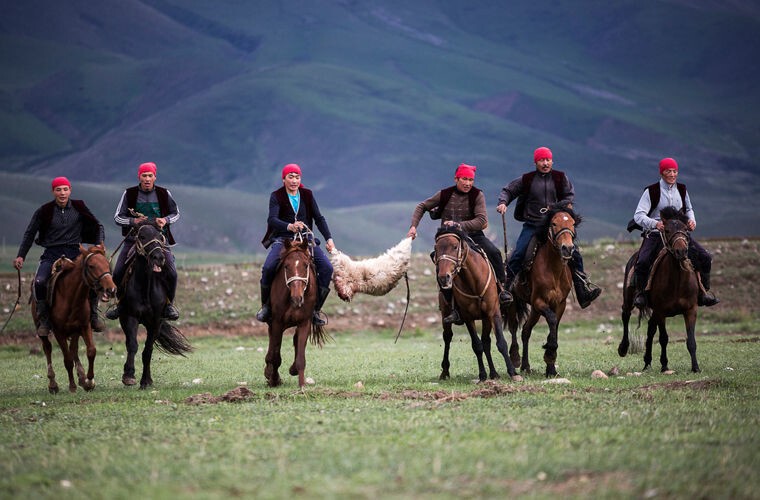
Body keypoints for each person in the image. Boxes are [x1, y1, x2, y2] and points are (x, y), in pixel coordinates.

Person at [497, 146, 601, 308]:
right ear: (535, 162)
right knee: (519, 253)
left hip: (555, 225)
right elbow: (509, 190)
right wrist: (503, 202)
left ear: (552, 161)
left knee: (575, 254)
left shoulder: (560, 178)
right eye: (541, 160)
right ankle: (505, 290)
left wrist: (563, 206)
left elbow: (569, 195)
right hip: (532, 224)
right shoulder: (527, 179)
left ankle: (583, 291)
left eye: (548, 160)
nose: (545, 163)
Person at [407, 163, 510, 324]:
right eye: (464, 179)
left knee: (495, 253)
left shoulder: (477, 195)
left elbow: (482, 220)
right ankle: (451, 305)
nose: (468, 183)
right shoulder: (445, 194)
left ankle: (502, 290)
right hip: (449, 240)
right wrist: (413, 226)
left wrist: (459, 225)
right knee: (440, 263)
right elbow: (422, 206)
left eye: (471, 179)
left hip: (474, 236)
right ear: (456, 179)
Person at [14, 177, 106, 336]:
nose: (62, 193)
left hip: (76, 253)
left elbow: (98, 226)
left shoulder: (79, 207)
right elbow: (30, 233)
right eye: (58, 190)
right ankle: (44, 321)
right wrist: (21, 256)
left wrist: (99, 244)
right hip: (51, 254)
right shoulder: (44, 211)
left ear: (70, 190)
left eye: (65, 189)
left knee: (93, 279)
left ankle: (93, 317)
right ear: (53, 192)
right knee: (40, 281)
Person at [630, 157, 719, 308]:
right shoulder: (651, 191)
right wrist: (655, 223)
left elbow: (689, 209)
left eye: (675, 171)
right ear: (662, 173)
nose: (672, 174)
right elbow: (638, 215)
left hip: (679, 234)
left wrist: (691, 221)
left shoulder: (682, 189)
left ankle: (703, 293)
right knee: (643, 261)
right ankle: (642, 295)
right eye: (668, 171)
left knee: (704, 257)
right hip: (657, 233)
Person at [256, 163, 336, 326]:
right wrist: (289, 226)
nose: (294, 180)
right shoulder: (276, 196)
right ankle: (266, 307)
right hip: (283, 240)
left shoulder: (307, 195)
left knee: (327, 268)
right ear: (284, 179)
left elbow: (318, 218)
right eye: (290, 177)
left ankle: (315, 310)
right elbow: (272, 219)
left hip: (305, 239)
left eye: (297, 177)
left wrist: (329, 238)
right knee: (268, 267)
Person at [106, 162, 181, 320]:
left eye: (150, 175)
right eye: (144, 175)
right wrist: (133, 222)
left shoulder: (164, 193)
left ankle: (168, 305)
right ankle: (120, 304)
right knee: (118, 272)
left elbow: (176, 213)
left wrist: (165, 220)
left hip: (158, 241)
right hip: (134, 240)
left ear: (155, 177)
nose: (147, 179)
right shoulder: (129, 194)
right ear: (139, 177)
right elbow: (117, 217)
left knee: (172, 273)